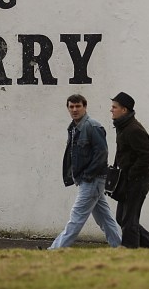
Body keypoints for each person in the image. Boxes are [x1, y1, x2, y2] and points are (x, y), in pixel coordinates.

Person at [48, 94, 121, 249]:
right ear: (68, 108)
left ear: (85, 107)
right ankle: (121, 247)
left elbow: (102, 154)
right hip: (90, 180)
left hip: (92, 180)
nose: (74, 110)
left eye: (78, 106)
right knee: (105, 219)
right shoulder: (74, 128)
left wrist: (87, 176)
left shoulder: (92, 127)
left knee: (76, 219)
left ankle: (53, 251)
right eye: (71, 107)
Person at [110, 92, 149, 249]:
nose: (111, 110)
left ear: (124, 110)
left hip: (138, 180)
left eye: (114, 107)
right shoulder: (122, 127)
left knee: (129, 218)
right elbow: (123, 153)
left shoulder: (133, 129)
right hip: (126, 179)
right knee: (122, 217)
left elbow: (147, 155)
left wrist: (132, 174)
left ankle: (129, 250)